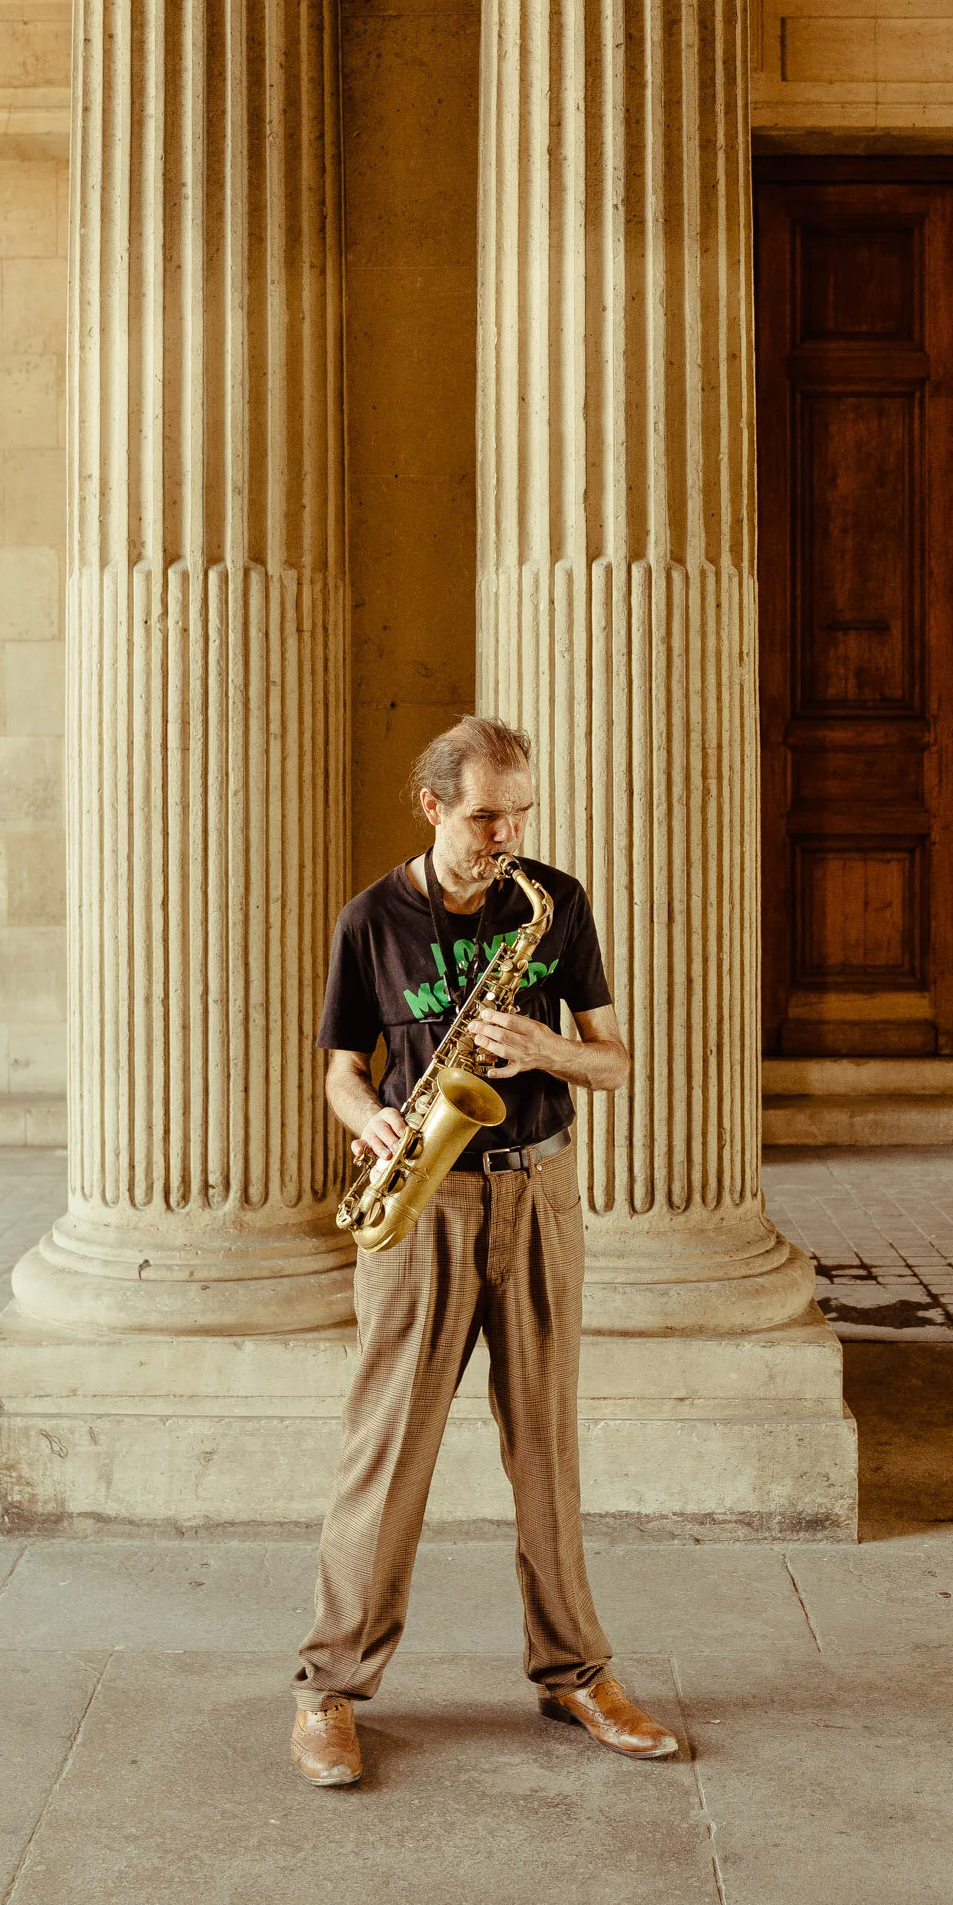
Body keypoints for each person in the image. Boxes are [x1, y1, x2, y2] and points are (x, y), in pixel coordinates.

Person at [290, 715, 680, 1786]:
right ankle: (329, 1690)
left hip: (541, 1192)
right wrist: (364, 1116)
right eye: (483, 816)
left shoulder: (552, 904)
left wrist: (548, 1046)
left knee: (546, 1448)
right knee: (389, 1451)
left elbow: (615, 1063)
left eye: (518, 813)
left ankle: (575, 1674)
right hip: (427, 1201)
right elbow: (339, 1068)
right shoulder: (371, 918)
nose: (504, 835)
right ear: (432, 806)